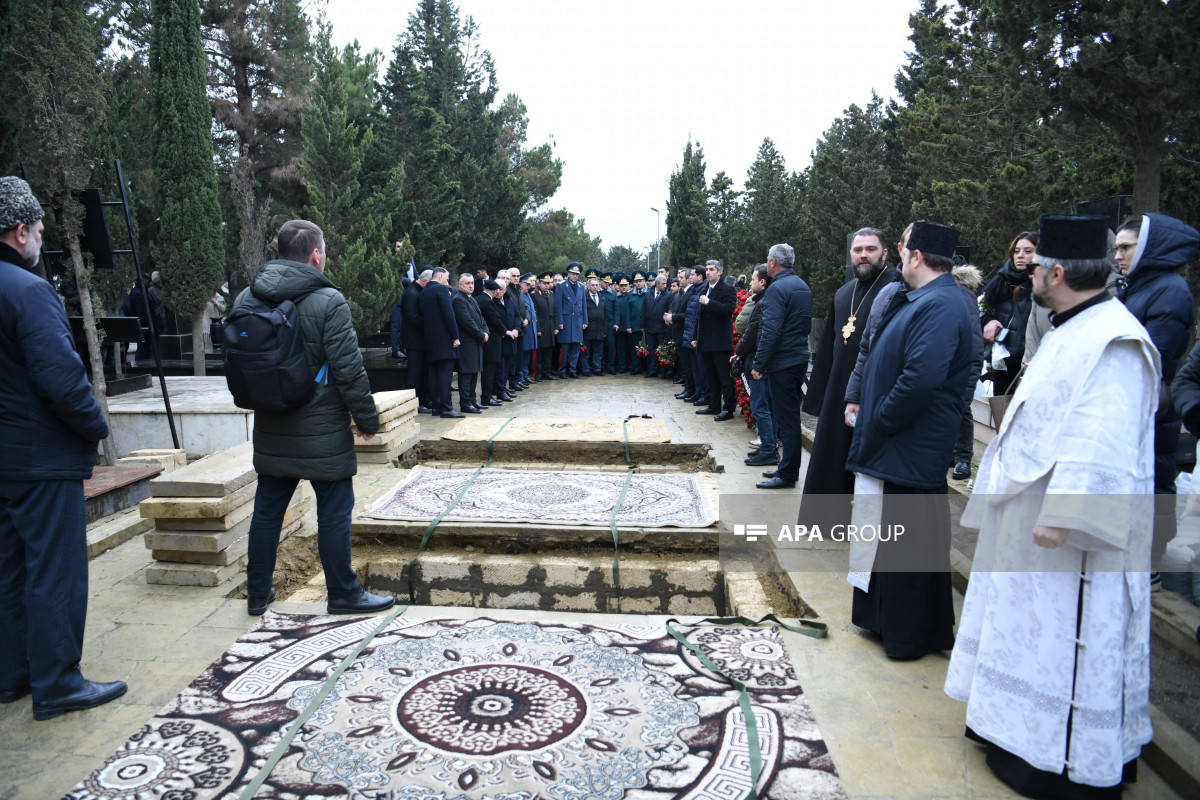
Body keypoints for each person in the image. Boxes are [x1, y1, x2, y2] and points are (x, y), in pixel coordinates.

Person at [945, 215, 1159, 797]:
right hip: (1028, 529)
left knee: (1061, 643)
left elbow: (1103, 437)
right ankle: (1014, 733)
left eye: (1036, 264)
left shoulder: (1115, 340)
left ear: (1057, 272)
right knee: (1027, 637)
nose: (1029, 272)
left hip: (1066, 542)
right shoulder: (1072, 325)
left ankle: (1056, 757)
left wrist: (1066, 516)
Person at [0, 176, 127, 720]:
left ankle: (12, 676)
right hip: (39, 457)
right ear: (20, 230)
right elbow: (60, 376)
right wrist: (94, 424)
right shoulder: (28, 291)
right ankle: (57, 682)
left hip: (6, 457)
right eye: (40, 225)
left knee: (8, 568)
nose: (44, 233)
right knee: (54, 568)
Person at [235, 220, 394, 618]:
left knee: (268, 511)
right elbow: (349, 369)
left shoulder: (246, 297)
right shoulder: (328, 301)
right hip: (321, 426)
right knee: (334, 511)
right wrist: (367, 420)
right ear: (316, 255)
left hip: (272, 422)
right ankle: (342, 592)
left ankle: (258, 593)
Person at [844, 221, 972, 658]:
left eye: (901, 249)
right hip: (898, 447)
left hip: (907, 446)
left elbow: (921, 379)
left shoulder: (941, 304)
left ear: (915, 256)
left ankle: (907, 634)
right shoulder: (922, 298)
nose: (900, 256)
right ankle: (889, 624)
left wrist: (878, 421)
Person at [1114, 213, 1199, 569]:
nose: (1117, 255)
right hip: (1131, 408)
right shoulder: (1139, 286)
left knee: (1152, 485)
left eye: (1125, 247)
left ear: (1149, 246)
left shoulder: (1170, 291)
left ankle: (1150, 566)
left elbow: (1153, 361)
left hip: (1149, 411)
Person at [799, 229, 898, 512]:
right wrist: (821, 399)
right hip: (840, 390)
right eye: (858, 250)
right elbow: (828, 346)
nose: (864, 255)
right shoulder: (844, 293)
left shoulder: (896, 288)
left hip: (876, 390)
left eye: (870, 249)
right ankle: (830, 517)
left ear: (885, 253)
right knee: (833, 456)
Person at [752, 245, 813, 487]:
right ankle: (786, 467)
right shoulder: (802, 285)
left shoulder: (777, 288)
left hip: (783, 361)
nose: (767, 263)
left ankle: (787, 474)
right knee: (788, 417)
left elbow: (771, 330)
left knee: (787, 420)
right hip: (797, 358)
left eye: (768, 260)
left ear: (774, 262)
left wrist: (758, 364)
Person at [979, 232, 1036, 396]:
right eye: (1017, 251)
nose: (1020, 256)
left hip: (1028, 364)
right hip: (1002, 362)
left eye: (1027, 251)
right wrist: (988, 321)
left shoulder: (1042, 285)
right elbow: (982, 308)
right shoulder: (1002, 279)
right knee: (1002, 416)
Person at [734, 264, 777, 466]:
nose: (749, 284)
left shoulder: (762, 303)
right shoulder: (763, 300)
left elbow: (752, 333)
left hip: (759, 360)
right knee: (767, 406)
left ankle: (768, 449)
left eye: (752, 280)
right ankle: (769, 446)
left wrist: (739, 351)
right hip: (762, 358)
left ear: (762, 282)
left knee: (761, 406)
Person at [693, 260, 738, 421]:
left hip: (719, 341)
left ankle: (729, 408)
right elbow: (699, 316)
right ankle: (714, 405)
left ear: (720, 272)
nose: (708, 272)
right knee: (711, 376)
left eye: (712, 269)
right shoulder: (705, 288)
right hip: (705, 340)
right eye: (707, 269)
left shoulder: (726, 289)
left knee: (724, 377)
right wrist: (694, 337)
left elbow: (728, 310)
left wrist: (709, 302)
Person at [419, 267, 463, 419]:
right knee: (445, 375)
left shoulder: (424, 292)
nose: (447, 281)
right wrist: (455, 336)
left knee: (434, 374)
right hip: (444, 339)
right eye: (447, 278)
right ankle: (446, 408)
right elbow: (448, 314)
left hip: (430, 339)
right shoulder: (442, 290)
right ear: (440, 276)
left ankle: (437, 406)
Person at [451, 272, 487, 413]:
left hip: (476, 341)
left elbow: (481, 319)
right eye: (467, 283)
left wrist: (486, 332)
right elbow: (467, 322)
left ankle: (472, 400)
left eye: (472, 283)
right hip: (467, 342)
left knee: (474, 372)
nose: (471, 285)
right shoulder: (458, 300)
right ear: (459, 285)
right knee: (466, 374)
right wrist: (481, 335)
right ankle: (465, 403)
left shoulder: (471, 299)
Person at [401, 268, 432, 413]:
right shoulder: (411, 293)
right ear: (425, 281)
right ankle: (415, 402)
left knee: (423, 372)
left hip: (422, 340)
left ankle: (424, 399)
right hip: (414, 341)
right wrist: (432, 322)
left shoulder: (419, 291)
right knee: (415, 373)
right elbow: (413, 317)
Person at [681, 266, 709, 405]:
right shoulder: (694, 290)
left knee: (701, 368)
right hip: (690, 335)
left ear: (700, 277)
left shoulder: (703, 290)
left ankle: (704, 394)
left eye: (692, 275)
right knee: (694, 368)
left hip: (696, 336)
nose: (689, 277)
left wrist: (695, 337)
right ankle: (698, 392)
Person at [477, 279, 507, 406]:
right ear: (494, 291)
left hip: (484, 339)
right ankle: (487, 397)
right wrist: (504, 331)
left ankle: (487, 395)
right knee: (489, 371)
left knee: (487, 370)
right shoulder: (488, 302)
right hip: (492, 340)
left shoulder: (477, 298)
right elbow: (496, 320)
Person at [555, 262, 585, 377]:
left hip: (577, 321)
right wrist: (560, 321)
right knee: (565, 348)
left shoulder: (581, 287)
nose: (575, 276)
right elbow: (558, 305)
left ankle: (572, 370)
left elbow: (583, 306)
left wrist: (585, 320)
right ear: (568, 274)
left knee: (576, 348)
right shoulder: (561, 286)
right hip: (566, 321)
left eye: (577, 274)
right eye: (572, 273)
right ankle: (562, 370)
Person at [641, 274, 671, 378]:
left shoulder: (668, 295)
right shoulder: (648, 294)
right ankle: (652, 371)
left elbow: (669, 310)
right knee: (652, 351)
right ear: (657, 284)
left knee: (662, 351)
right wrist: (642, 325)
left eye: (666, 283)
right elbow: (643, 310)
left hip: (662, 328)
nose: (665, 285)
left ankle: (663, 372)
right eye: (663, 283)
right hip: (649, 327)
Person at [532, 271, 557, 380]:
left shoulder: (551, 294)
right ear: (539, 283)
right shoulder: (535, 295)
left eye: (548, 283)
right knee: (540, 352)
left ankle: (547, 372)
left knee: (549, 351)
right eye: (544, 283)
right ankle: (538, 373)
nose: (546, 285)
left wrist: (556, 327)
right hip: (542, 326)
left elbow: (555, 311)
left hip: (551, 326)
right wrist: (537, 328)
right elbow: (535, 313)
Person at [581, 277, 607, 376]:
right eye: (593, 285)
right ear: (588, 287)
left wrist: (604, 330)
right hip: (587, 329)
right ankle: (586, 370)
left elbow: (605, 315)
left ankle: (597, 369)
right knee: (586, 352)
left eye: (597, 285)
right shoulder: (584, 298)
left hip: (599, 330)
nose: (595, 287)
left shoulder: (602, 298)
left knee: (598, 352)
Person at [519, 273, 538, 383]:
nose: (528, 286)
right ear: (520, 284)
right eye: (526, 284)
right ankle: (521, 376)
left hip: (531, 330)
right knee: (522, 354)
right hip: (524, 329)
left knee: (527, 354)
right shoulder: (519, 295)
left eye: (529, 284)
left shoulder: (528, 295)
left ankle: (525, 375)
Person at [628, 270, 647, 373]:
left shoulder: (648, 294)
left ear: (644, 281)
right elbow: (627, 311)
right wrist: (628, 326)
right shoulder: (630, 295)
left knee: (647, 347)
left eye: (640, 281)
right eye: (636, 281)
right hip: (634, 326)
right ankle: (636, 368)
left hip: (646, 326)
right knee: (635, 348)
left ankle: (646, 367)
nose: (638, 283)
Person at [201, 284, 227, 354]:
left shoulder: (218, 297)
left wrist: (215, 301)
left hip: (215, 325)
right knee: (206, 343)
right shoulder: (202, 296)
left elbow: (223, 309)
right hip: (204, 324)